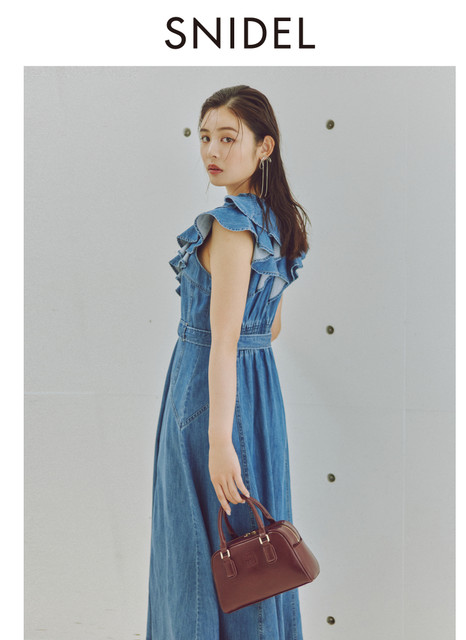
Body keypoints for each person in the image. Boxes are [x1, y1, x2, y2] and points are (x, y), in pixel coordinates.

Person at [146, 84, 311, 640]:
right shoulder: (278, 221)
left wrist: (220, 441)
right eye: (204, 138)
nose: (212, 151)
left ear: (265, 147)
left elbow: (222, 342)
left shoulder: (232, 226)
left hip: (206, 391)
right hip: (260, 392)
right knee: (252, 545)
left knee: (197, 549)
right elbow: (269, 329)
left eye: (227, 138)